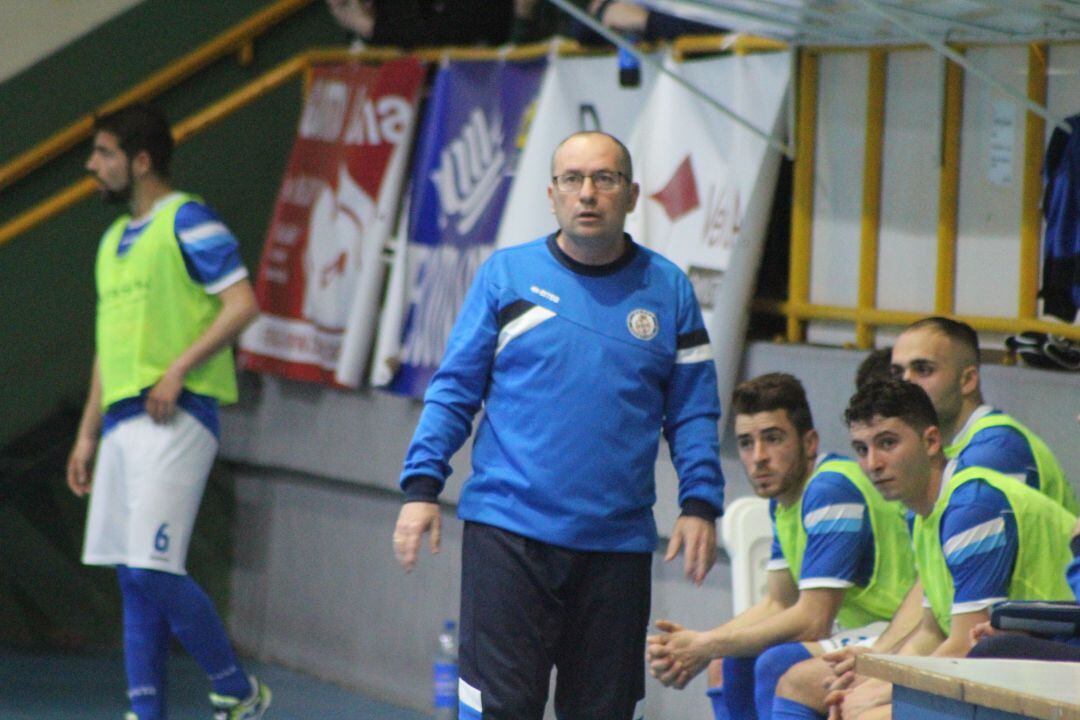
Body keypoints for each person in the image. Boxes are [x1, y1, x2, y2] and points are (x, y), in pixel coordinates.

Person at [392, 131, 725, 720]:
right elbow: (454, 391)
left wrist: (700, 502)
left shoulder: (669, 289)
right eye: (572, 179)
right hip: (509, 536)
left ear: (632, 195)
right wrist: (422, 487)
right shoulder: (506, 276)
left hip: (616, 548)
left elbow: (694, 409)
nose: (588, 193)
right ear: (551, 194)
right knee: (501, 711)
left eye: (605, 179)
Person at [67, 104, 266, 720]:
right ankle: (144, 712)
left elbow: (241, 304)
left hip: (178, 416)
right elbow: (110, 344)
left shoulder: (189, 220)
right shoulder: (109, 244)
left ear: (142, 160)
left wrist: (178, 369)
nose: (91, 165)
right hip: (124, 423)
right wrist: (86, 434)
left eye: (103, 153)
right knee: (132, 576)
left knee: (153, 568)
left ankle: (237, 692)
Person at [773, 317, 1078, 716]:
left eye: (887, 444)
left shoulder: (972, 504)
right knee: (798, 682)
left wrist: (879, 690)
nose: (873, 464)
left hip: (1044, 659)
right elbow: (931, 629)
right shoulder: (923, 513)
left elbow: (964, 644)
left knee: (862, 713)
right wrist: (876, 675)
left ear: (931, 441)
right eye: (861, 450)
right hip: (1001, 658)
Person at [645, 373, 914, 720]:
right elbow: (779, 601)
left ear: (810, 442)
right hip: (858, 630)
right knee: (728, 661)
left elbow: (813, 620)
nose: (758, 457)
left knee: (776, 663)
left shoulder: (830, 490)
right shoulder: (784, 500)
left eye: (772, 439)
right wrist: (702, 642)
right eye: (745, 442)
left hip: (896, 628)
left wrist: (705, 645)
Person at [890, 316, 1076, 511]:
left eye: (923, 369)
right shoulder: (929, 450)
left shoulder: (998, 450)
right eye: (897, 373)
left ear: (967, 380)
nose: (906, 382)